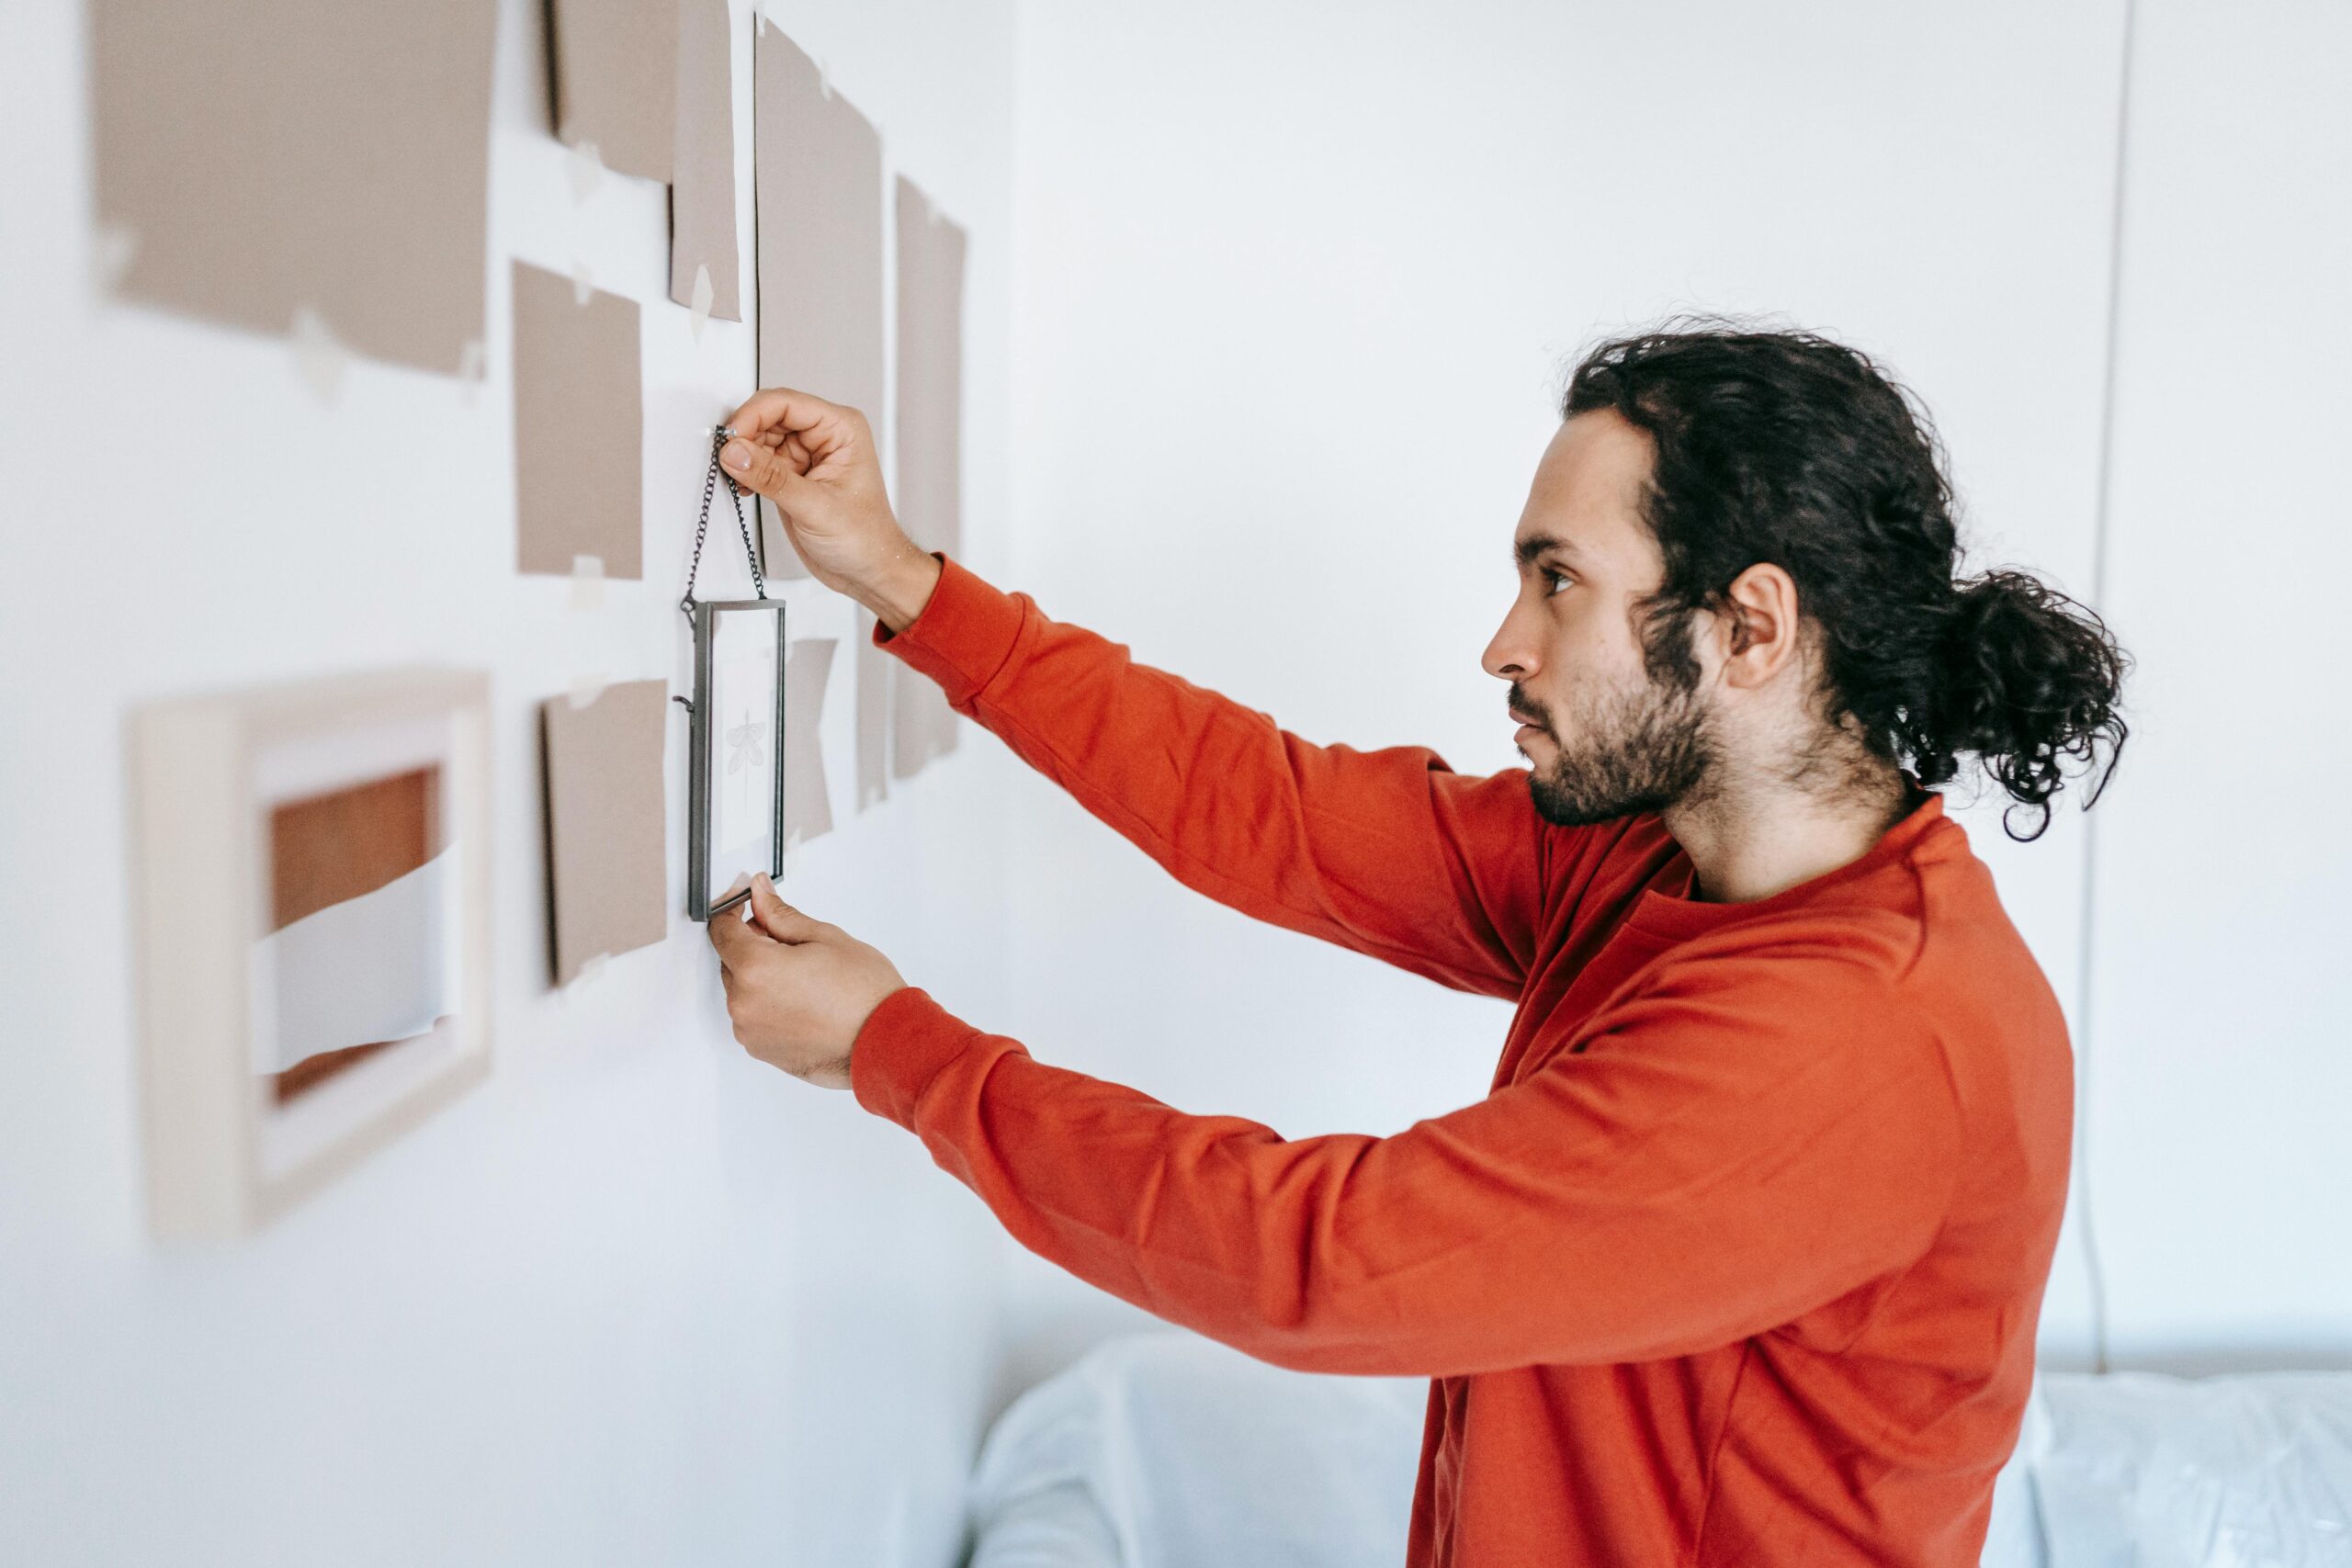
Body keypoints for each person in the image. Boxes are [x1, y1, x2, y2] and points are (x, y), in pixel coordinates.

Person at [704, 323, 2129, 1567]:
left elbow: (1313, 1263)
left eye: (1558, 580)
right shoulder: (1664, 855)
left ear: (1748, 628)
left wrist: (896, 1052)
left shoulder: (1856, 1041)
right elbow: (1285, 818)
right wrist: (899, 577)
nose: (1505, 643)